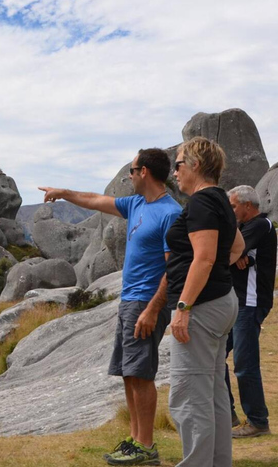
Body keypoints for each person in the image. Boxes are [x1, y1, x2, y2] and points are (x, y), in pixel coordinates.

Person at [40, 147, 181, 466]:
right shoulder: (136, 204)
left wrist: (153, 309)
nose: (128, 176)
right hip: (130, 300)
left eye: (131, 171)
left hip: (146, 302)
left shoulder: (170, 213)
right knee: (129, 373)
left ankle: (146, 446)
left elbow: (174, 268)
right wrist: (63, 193)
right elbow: (94, 200)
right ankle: (135, 440)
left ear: (144, 172)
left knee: (142, 373)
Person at [165, 137, 245, 467]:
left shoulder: (200, 203)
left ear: (196, 166)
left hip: (201, 308)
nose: (175, 171)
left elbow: (205, 257)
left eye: (179, 164)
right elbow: (237, 247)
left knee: (189, 396)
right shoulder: (221, 201)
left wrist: (183, 308)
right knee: (212, 395)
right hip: (221, 302)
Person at [225, 185, 275, 437]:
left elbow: (229, 250)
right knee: (214, 356)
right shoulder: (244, 228)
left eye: (233, 206)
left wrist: (240, 254)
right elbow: (232, 251)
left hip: (250, 302)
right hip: (236, 301)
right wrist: (238, 255)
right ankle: (227, 414)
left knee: (244, 363)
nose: (231, 211)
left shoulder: (260, 225)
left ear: (247, 205)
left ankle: (257, 422)